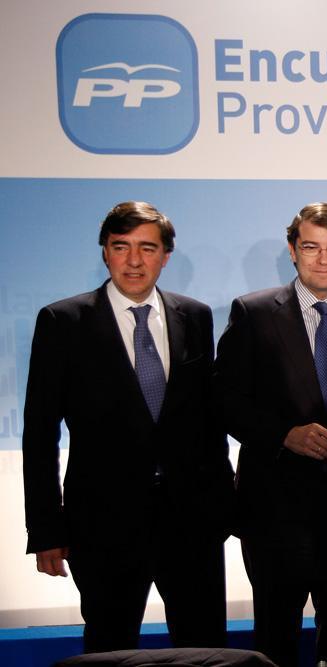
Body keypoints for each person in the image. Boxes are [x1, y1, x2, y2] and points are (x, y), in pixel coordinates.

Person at [21, 201, 232, 652]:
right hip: (103, 524)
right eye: (121, 247)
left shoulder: (195, 316)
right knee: (110, 647)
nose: (134, 261)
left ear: (165, 256)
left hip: (191, 521)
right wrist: (46, 529)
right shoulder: (63, 321)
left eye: (147, 248)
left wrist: (224, 506)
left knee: (205, 647)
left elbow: (208, 420)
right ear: (105, 252)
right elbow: (39, 434)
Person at [214, 202, 327, 667]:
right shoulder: (254, 313)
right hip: (275, 512)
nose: (323, 258)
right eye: (312, 246)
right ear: (293, 250)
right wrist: (284, 435)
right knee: (275, 642)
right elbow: (224, 400)